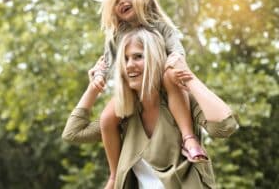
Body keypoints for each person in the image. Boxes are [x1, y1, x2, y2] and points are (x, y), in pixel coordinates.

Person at [62, 28, 238, 188]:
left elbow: (224, 127)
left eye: (138, 56)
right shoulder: (126, 115)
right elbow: (73, 133)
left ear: (155, 58)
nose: (130, 64)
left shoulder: (180, 102)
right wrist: (93, 88)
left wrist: (189, 77)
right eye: (125, 59)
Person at [91, 0, 207, 187]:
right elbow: (106, 63)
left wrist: (174, 60)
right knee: (107, 118)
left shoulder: (160, 26)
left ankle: (189, 138)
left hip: (162, 84)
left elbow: (176, 49)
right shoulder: (117, 35)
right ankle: (115, 175)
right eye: (116, 1)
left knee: (169, 75)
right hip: (137, 90)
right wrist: (98, 74)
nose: (122, 2)